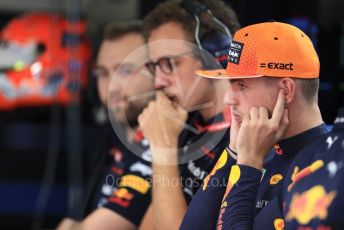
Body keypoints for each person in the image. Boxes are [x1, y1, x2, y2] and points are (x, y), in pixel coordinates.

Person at [187, 21, 329, 229]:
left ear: (286, 91)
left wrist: (248, 165)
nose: (228, 99)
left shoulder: (324, 168)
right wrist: (234, 152)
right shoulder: (258, 149)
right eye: (229, 85)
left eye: (241, 86)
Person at [138, 0, 240, 229]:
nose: (157, 82)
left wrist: (162, 147)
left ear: (216, 54)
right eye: (155, 66)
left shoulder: (246, 138)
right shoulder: (185, 126)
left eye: (170, 63)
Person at [57, 21, 154, 230]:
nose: (112, 86)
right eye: (102, 73)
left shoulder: (167, 145)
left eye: (126, 71)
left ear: (158, 71)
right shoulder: (110, 143)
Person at [283, 107, 344, 229]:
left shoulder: (305, 156)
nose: (232, 101)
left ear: (287, 90)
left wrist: (248, 161)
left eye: (242, 87)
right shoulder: (305, 156)